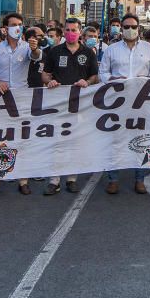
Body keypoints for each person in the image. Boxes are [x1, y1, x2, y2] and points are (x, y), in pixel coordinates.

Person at [99, 13, 150, 194]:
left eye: (133, 26)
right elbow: (102, 72)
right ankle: (113, 179)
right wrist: (113, 78)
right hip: (117, 103)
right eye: (126, 27)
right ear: (121, 29)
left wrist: (146, 79)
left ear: (139, 28)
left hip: (142, 102)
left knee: (141, 139)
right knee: (114, 140)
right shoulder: (112, 49)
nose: (130, 30)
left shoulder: (149, 48)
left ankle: (139, 179)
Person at [0, 13, 42, 196]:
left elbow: (36, 58)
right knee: (0, 139)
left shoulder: (26, 48)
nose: (17, 27)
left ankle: (23, 180)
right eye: (13, 25)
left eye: (20, 24)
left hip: (21, 98)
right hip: (0, 99)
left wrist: (34, 49)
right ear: (5, 28)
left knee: (21, 139)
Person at [41, 18, 99, 196]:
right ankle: (54, 180)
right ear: (63, 31)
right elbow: (45, 74)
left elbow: (95, 77)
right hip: (58, 104)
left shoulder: (88, 53)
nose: (71, 32)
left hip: (80, 104)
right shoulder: (55, 51)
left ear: (80, 31)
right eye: (67, 29)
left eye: (74, 29)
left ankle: (72, 179)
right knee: (57, 141)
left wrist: (87, 81)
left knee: (75, 141)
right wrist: (50, 82)